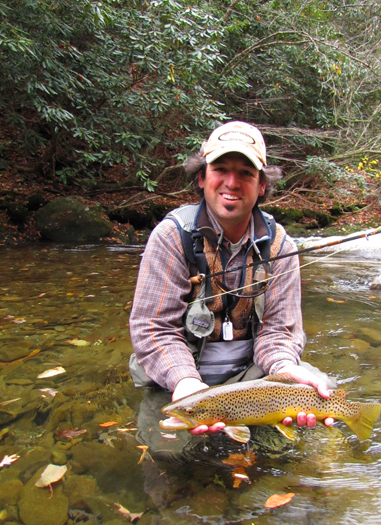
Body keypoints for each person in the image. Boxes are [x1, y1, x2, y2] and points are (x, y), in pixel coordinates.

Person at [129, 121, 335, 435]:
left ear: (262, 185)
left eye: (246, 173)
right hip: (179, 378)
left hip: (252, 378)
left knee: (319, 395)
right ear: (201, 178)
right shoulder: (172, 237)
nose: (231, 182)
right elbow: (153, 327)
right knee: (170, 457)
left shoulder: (282, 247)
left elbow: (279, 332)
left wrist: (285, 369)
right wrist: (185, 382)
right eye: (221, 169)